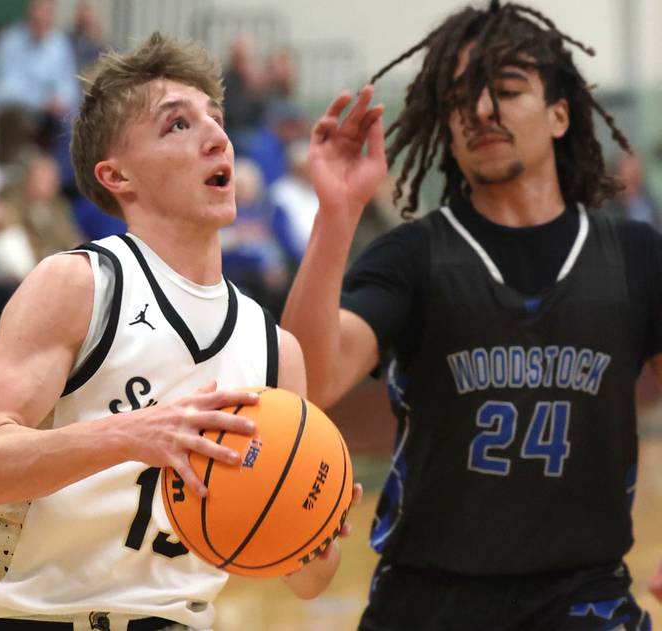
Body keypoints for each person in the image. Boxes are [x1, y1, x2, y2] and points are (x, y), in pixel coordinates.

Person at [0, 32, 358, 631]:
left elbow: (309, 580)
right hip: (30, 618)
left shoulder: (273, 350)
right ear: (117, 175)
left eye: (217, 119)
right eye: (178, 126)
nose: (217, 136)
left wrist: (313, 523)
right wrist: (134, 433)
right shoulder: (79, 286)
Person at [282, 2, 661, 629]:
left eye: (507, 91)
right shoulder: (414, 257)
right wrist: (337, 214)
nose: (481, 110)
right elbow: (307, 384)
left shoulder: (635, 257)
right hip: (428, 603)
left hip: (585, 601)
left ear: (561, 114)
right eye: (461, 97)